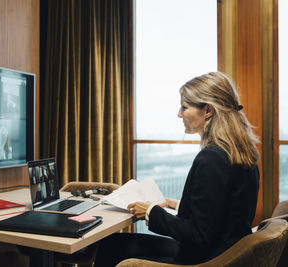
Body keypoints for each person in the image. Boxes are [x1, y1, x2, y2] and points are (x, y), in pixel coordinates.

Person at [94, 72, 260, 266]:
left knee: (110, 248)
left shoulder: (212, 158)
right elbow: (221, 214)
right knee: (115, 244)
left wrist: (150, 212)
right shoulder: (241, 152)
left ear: (208, 111)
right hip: (226, 254)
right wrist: (179, 205)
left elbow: (199, 235)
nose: (179, 114)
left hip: (205, 260)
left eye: (184, 107)